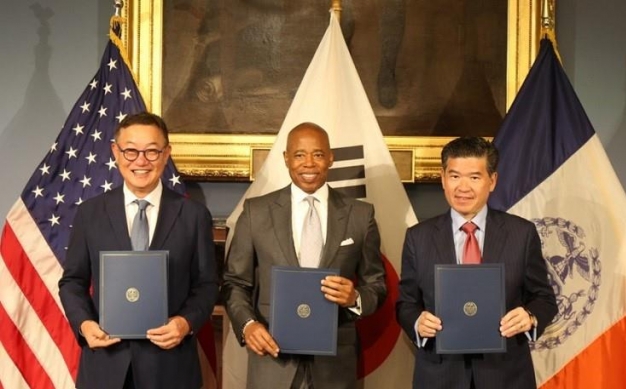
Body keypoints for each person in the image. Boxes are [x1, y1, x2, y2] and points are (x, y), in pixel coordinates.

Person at [58, 112, 218, 389]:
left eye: (152, 151)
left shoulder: (194, 216)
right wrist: (85, 325)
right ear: (115, 152)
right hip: (106, 364)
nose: (141, 161)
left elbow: (207, 285)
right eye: (131, 151)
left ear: (166, 154)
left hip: (170, 368)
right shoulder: (90, 213)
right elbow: (72, 281)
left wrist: (184, 323)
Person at [222, 122, 387, 389]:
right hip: (272, 361)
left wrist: (355, 297)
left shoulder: (360, 215)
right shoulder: (256, 212)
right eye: (299, 155)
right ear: (286, 158)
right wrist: (248, 325)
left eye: (318, 154)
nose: (308, 163)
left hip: (335, 365)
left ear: (331, 158)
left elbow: (377, 285)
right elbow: (235, 283)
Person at [395, 136, 558, 389]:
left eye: (474, 177)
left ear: (492, 181)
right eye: (455, 176)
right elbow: (406, 303)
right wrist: (417, 321)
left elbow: (544, 298)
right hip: (439, 376)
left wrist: (530, 316)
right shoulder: (418, 237)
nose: (463, 188)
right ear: (443, 178)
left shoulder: (522, 234)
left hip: (506, 375)